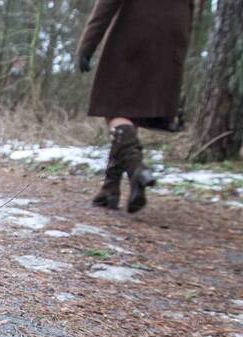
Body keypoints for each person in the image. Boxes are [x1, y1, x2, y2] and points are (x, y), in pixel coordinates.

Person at [77, 0, 193, 213]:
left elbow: (106, 5)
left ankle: (136, 169)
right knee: (130, 113)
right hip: (174, 37)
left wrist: (87, 46)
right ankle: (109, 189)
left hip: (133, 34)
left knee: (114, 108)